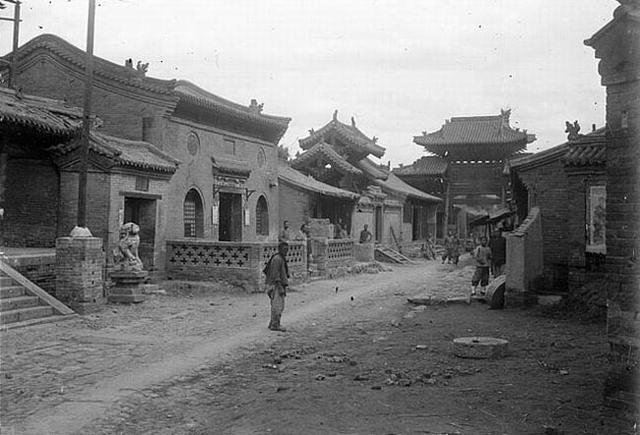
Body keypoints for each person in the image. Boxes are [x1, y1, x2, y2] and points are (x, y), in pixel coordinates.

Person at [264, 241, 290, 331]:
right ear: (280, 249)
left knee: (276, 305)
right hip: (276, 285)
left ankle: (273, 323)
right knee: (278, 306)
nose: (286, 251)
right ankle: (275, 325)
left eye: (287, 249)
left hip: (277, 284)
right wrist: (280, 287)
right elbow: (276, 274)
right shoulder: (277, 259)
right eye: (284, 249)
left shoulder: (280, 258)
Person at [469, 236, 492, 303]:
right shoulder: (478, 248)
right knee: (476, 277)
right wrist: (480, 260)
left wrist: (489, 258)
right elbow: (475, 256)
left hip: (486, 265)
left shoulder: (488, 249)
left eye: (485, 240)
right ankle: (473, 290)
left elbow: (490, 256)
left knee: (485, 278)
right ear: (481, 241)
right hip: (479, 266)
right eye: (483, 240)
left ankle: (483, 290)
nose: (484, 242)